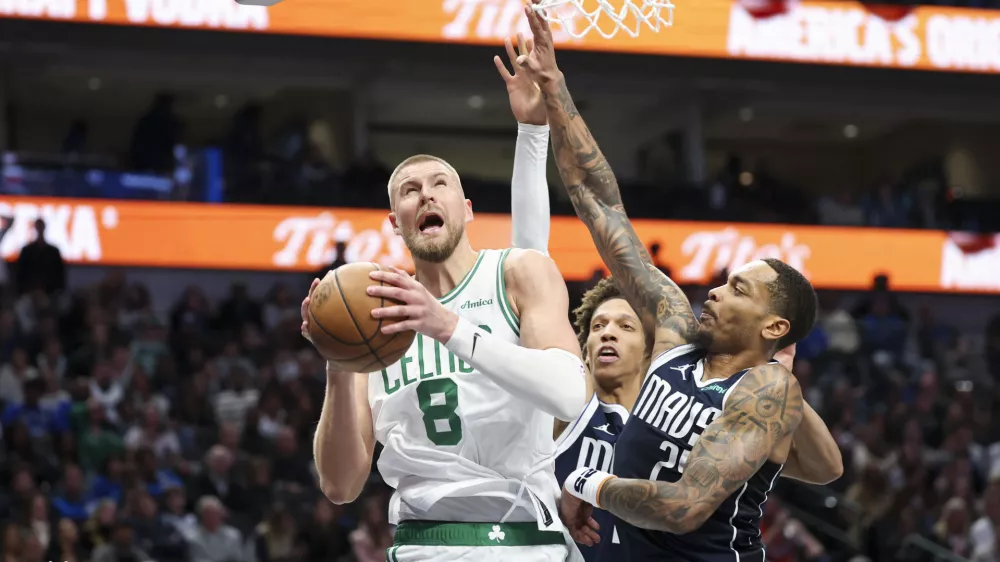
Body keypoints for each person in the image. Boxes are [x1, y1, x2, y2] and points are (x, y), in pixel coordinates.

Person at [515, 5, 841, 561]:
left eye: (739, 289)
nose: (714, 291)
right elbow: (601, 203)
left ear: (775, 325)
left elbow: (686, 508)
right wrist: (554, 87)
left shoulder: (767, 390)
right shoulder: (672, 330)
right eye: (724, 282)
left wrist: (585, 484)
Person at [308, 35, 588, 562]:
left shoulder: (516, 273)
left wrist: (448, 326)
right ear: (395, 221)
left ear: (466, 208)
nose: (426, 194)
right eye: (409, 191)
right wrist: (338, 360)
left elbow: (571, 394)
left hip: (526, 540)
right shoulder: (375, 317)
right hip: (424, 544)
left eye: (439, 184)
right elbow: (341, 486)